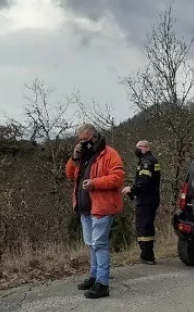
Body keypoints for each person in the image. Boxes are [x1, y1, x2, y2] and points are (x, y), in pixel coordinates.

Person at [65, 123, 125, 299]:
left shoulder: (109, 154)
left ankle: (102, 283)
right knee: (92, 245)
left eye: (85, 139)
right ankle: (93, 277)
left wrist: (95, 183)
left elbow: (119, 177)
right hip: (85, 208)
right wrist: (74, 158)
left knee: (100, 245)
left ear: (94, 137)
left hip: (102, 207)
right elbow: (69, 175)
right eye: (80, 140)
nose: (82, 143)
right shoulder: (83, 156)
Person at [123, 140, 161, 264]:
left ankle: (147, 256)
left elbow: (144, 181)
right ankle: (147, 254)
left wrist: (132, 189)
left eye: (139, 147)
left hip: (146, 200)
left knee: (143, 227)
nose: (137, 150)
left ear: (147, 147)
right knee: (147, 225)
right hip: (150, 198)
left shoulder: (147, 162)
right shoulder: (151, 160)